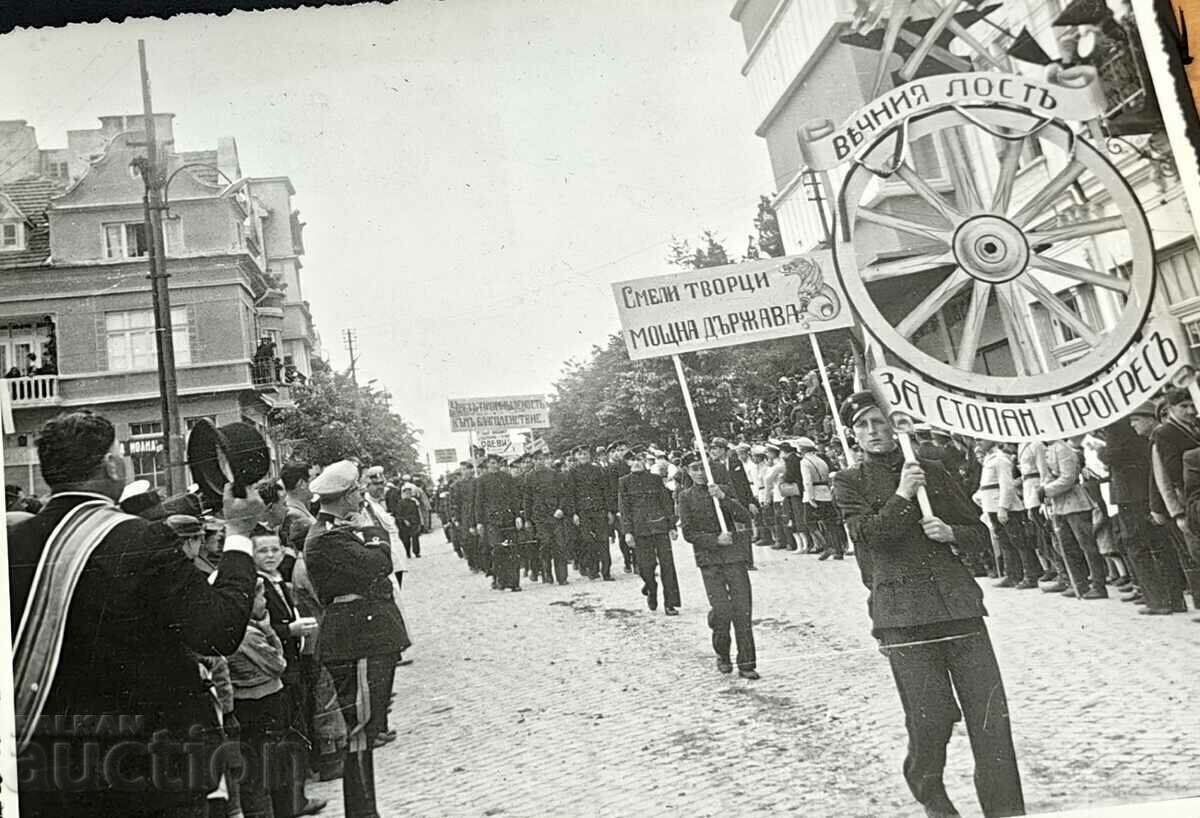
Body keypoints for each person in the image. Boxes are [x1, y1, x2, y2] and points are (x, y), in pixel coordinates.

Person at [8, 409, 265, 818]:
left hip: (49, 773)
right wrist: (238, 535)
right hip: (151, 773)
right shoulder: (142, 539)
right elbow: (218, 632)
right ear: (112, 465)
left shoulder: (13, 543)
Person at [832, 392, 1024, 818]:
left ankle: (1006, 809)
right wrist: (903, 495)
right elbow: (871, 536)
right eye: (863, 425)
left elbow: (978, 532)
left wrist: (953, 533)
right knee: (931, 718)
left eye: (880, 422)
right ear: (853, 434)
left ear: (895, 425)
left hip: (958, 607)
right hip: (903, 615)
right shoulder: (847, 481)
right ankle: (926, 784)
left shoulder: (931, 470)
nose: (873, 432)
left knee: (991, 718)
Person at [304, 460, 408, 818]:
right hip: (357, 637)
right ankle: (363, 813)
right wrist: (371, 532)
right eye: (357, 492)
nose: (361, 497)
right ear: (345, 496)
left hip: (363, 633)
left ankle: (365, 810)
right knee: (361, 732)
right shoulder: (328, 536)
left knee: (365, 731)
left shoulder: (335, 530)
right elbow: (379, 564)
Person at [678, 454, 758, 680]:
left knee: (742, 610)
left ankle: (747, 663)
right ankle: (722, 654)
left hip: (733, 557)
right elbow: (688, 533)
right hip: (710, 560)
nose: (700, 473)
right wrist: (715, 540)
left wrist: (724, 499)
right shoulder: (686, 497)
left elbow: (744, 516)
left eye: (702, 468)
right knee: (722, 612)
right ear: (688, 472)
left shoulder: (723, 490)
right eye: (694, 469)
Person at [618, 448, 680, 615]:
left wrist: (672, 526)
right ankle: (651, 588)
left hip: (659, 527)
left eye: (640, 459)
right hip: (640, 530)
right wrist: (628, 532)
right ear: (628, 463)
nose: (637, 462)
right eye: (633, 460)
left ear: (645, 461)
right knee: (646, 566)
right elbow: (624, 509)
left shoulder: (655, 479)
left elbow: (665, 502)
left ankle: (670, 603)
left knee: (667, 565)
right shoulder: (624, 482)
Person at [475, 453, 523, 591]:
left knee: (512, 550)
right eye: (492, 463)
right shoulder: (482, 480)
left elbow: (514, 498)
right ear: (487, 465)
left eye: (496, 463)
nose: (495, 466)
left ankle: (514, 583)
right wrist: (479, 522)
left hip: (508, 519)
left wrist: (517, 516)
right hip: (492, 521)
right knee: (498, 549)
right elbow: (479, 502)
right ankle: (500, 579)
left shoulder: (507, 478)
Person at [523, 448, 571, 585]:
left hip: (555, 515)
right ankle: (547, 574)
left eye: (541, 459)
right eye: (536, 459)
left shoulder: (553, 474)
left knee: (559, 545)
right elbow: (527, 499)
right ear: (533, 461)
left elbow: (563, 494)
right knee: (545, 545)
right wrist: (527, 519)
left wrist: (560, 508)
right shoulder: (529, 477)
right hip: (539, 517)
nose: (539, 462)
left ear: (544, 460)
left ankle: (562, 577)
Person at [567, 445, 615, 581]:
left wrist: (609, 511)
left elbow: (605, 491)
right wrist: (574, 513)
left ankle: (606, 572)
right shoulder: (572, 472)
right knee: (588, 541)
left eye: (585, 454)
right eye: (580, 454)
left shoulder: (598, 470)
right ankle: (593, 570)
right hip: (583, 511)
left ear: (589, 455)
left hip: (599, 509)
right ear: (576, 456)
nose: (583, 456)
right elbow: (570, 494)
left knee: (603, 540)